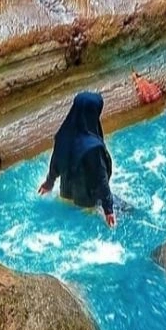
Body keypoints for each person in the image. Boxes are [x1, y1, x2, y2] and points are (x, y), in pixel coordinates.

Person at [37, 91, 116, 228]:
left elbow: (56, 161)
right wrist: (108, 209)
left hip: (66, 194)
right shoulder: (93, 147)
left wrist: (49, 183)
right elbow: (101, 178)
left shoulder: (64, 134)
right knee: (131, 212)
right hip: (88, 201)